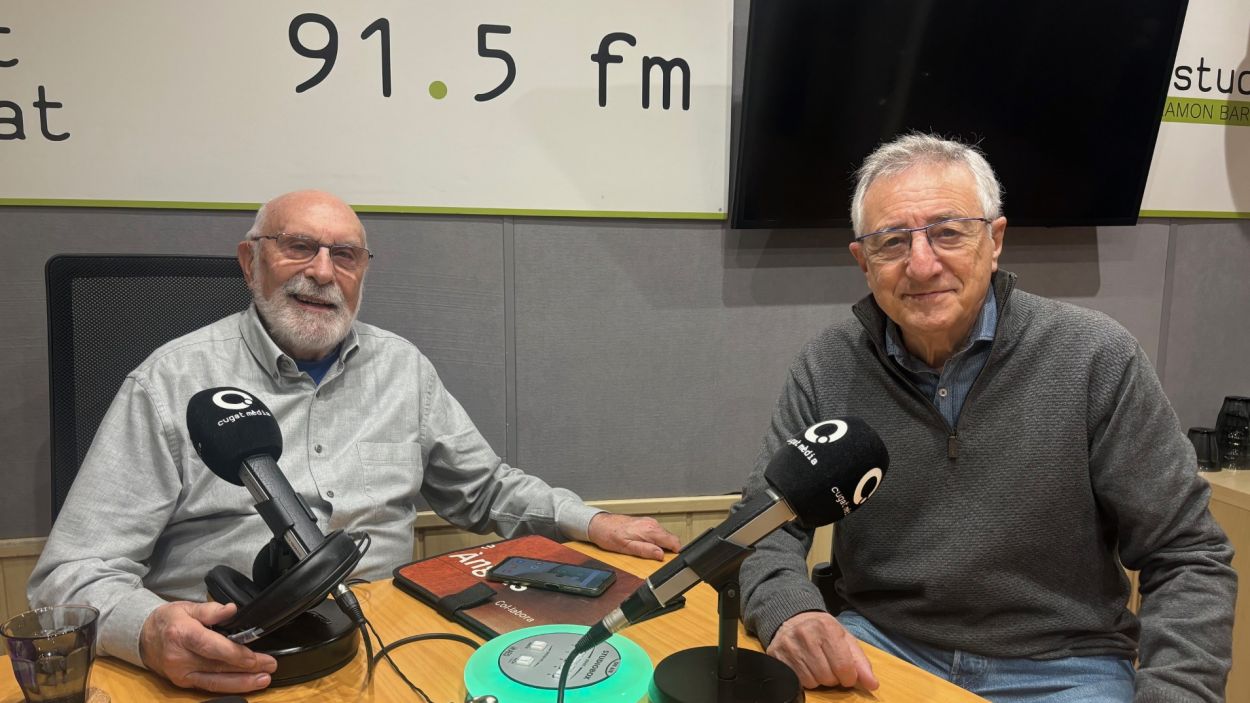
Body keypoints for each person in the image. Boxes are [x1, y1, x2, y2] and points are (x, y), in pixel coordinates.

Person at [28, 190, 680, 694]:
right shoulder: (169, 380)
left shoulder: (403, 369)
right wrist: (148, 631)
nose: (322, 271)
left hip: (388, 644)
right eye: (298, 246)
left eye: (345, 255)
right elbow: (71, 575)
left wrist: (594, 520)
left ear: (363, 272)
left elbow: (486, 489)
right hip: (232, 660)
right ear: (249, 260)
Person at [737, 134, 1236, 702]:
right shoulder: (828, 364)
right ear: (863, 261)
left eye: (948, 232)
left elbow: (1188, 555)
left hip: (1067, 668)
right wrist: (789, 614)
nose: (921, 265)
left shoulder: (1096, 357)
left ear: (994, 239)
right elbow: (762, 525)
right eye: (891, 241)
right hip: (881, 648)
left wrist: (1176, 693)